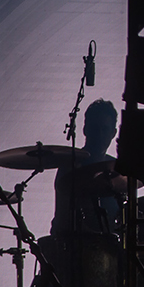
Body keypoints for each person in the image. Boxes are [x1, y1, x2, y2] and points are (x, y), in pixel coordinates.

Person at [50, 99, 124, 238]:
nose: (100, 135)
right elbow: (64, 218)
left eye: (104, 129)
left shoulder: (116, 168)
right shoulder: (70, 166)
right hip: (77, 243)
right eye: (95, 128)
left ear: (113, 133)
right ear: (85, 130)